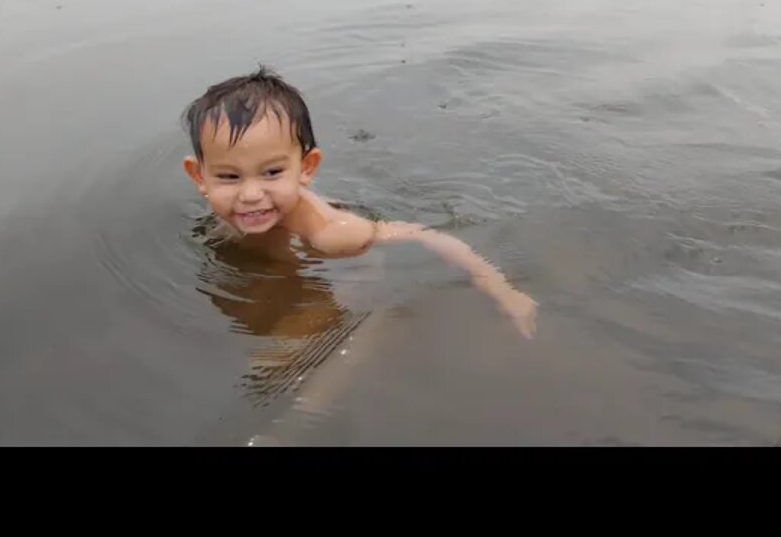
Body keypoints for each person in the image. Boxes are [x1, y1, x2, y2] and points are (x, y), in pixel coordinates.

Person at [181, 66, 538, 338]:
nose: (250, 194)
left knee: (306, 330)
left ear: (307, 168)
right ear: (200, 177)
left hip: (359, 270)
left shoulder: (333, 234)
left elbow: (423, 234)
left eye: (272, 172)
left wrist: (496, 284)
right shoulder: (238, 209)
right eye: (229, 177)